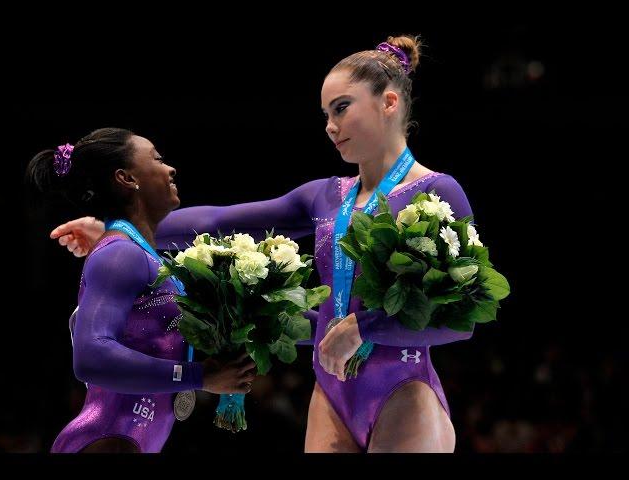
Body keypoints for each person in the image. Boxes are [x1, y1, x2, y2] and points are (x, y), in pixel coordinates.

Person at [50, 36, 475, 452]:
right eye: (326, 114)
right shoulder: (325, 196)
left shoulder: (437, 193)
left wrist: (365, 327)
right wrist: (115, 226)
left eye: (342, 108)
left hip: (403, 388)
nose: (330, 126)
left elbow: (460, 322)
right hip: (331, 393)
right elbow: (217, 220)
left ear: (388, 102)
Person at [27, 128, 255, 453]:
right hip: (106, 439)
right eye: (157, 159)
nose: (170, 168)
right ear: (126, 178)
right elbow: (91, 358)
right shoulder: (119, 254)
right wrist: (199, 376)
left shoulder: (146, 257)